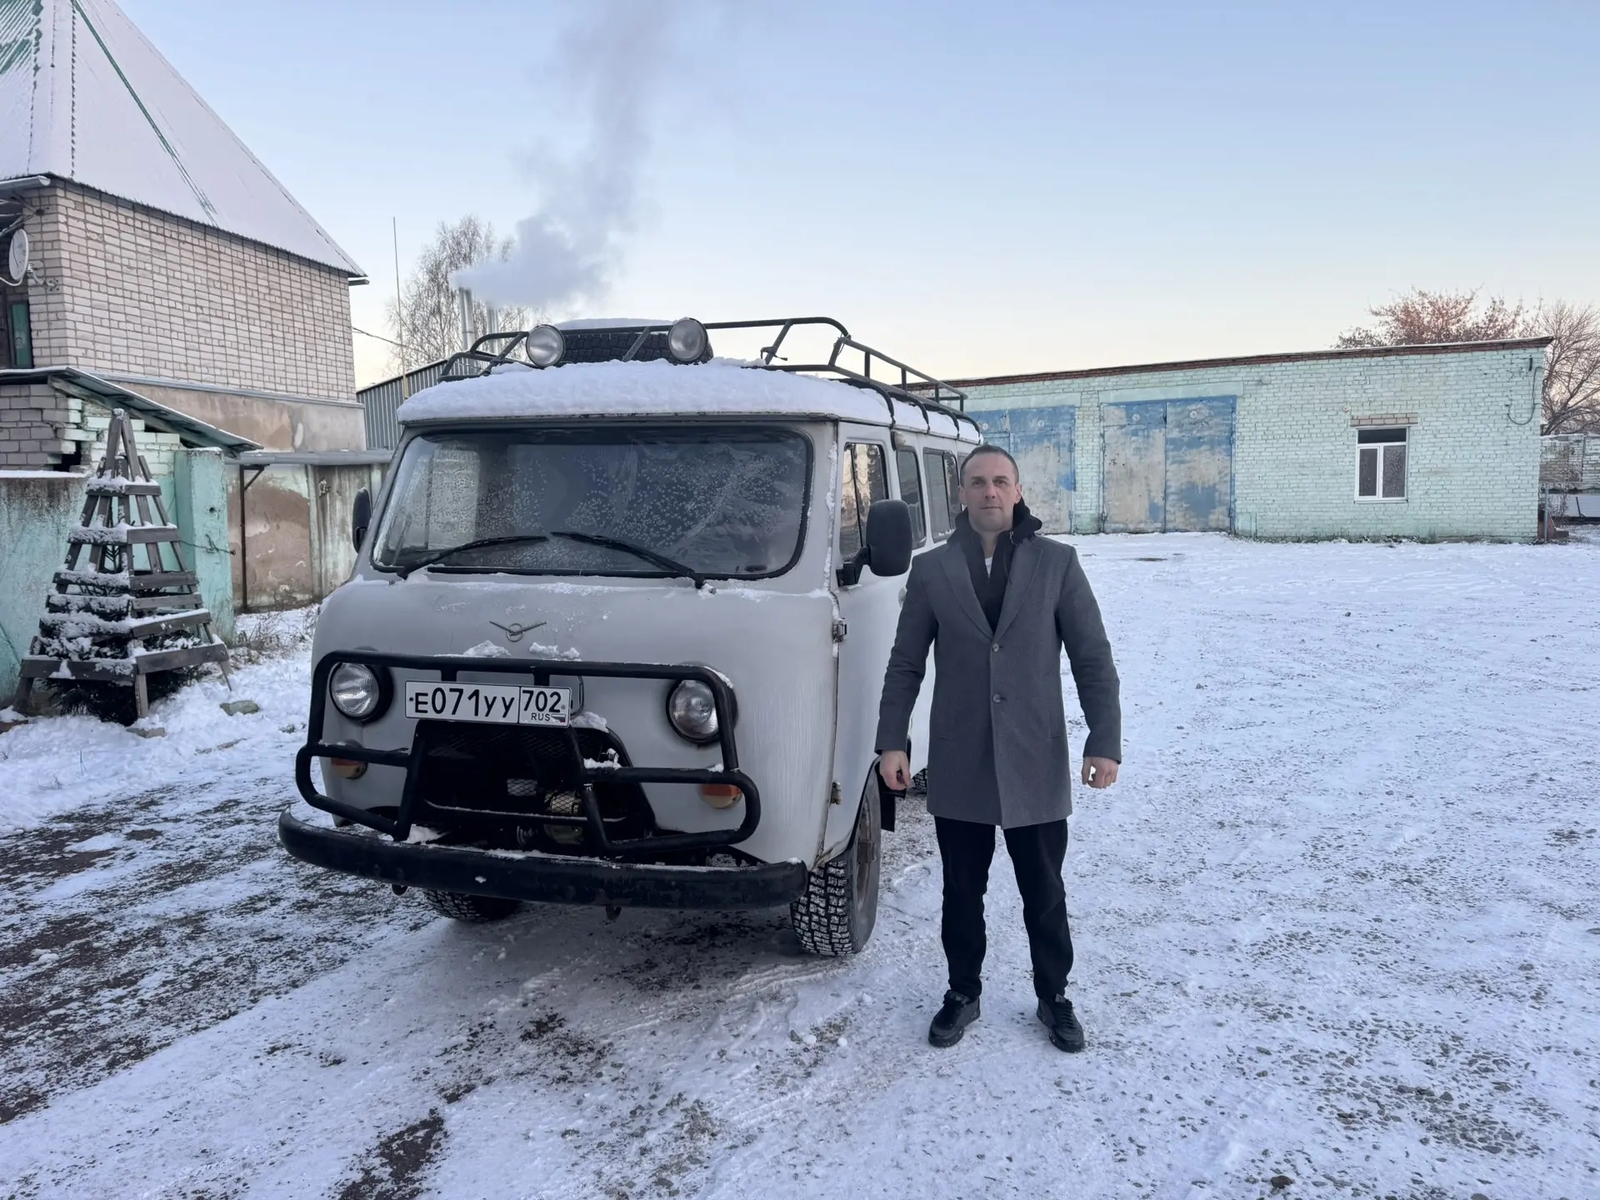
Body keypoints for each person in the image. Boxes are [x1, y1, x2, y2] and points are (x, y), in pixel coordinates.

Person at [876, 444, 1121, 1052]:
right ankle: (963, 992)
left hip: (1034, 756)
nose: (990, 491)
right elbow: (905, 664)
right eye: (978, 482)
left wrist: (1104, 740)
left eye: (1001, 481)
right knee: (962, 891)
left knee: (1044, 891)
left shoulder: (1057, 563)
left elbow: (1092, 658)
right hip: (960, 757)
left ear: (1017, 490)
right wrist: (892, 741)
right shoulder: (932, 570)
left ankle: (1053, 996)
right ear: (961, 493)